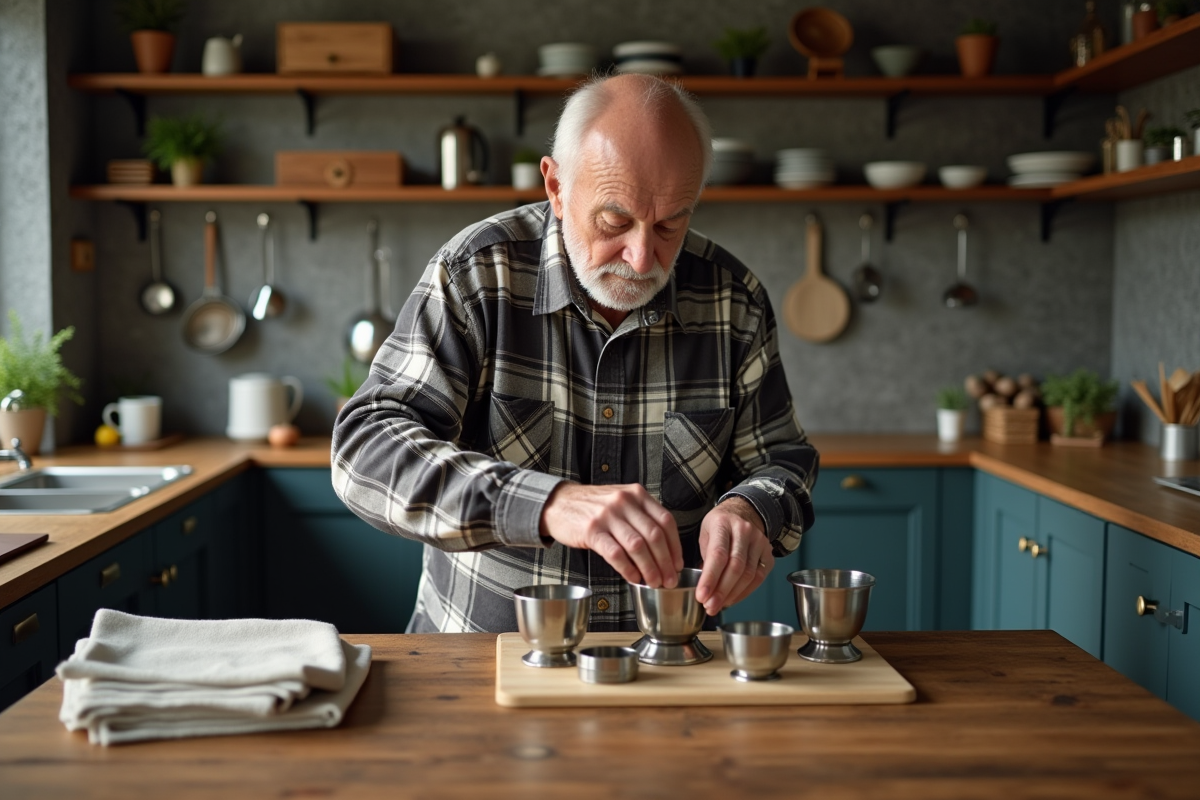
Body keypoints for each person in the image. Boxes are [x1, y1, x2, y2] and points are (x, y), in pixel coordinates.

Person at [332, 73, 818, 633]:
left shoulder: (735, 301)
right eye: (615, 221)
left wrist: (750, 508)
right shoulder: (476, 275)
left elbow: (782, 459)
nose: (641, 259)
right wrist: (547, 504)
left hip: (666, 667)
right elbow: (364, 450)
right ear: (556, 188)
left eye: (669, 224)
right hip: (481, 661)